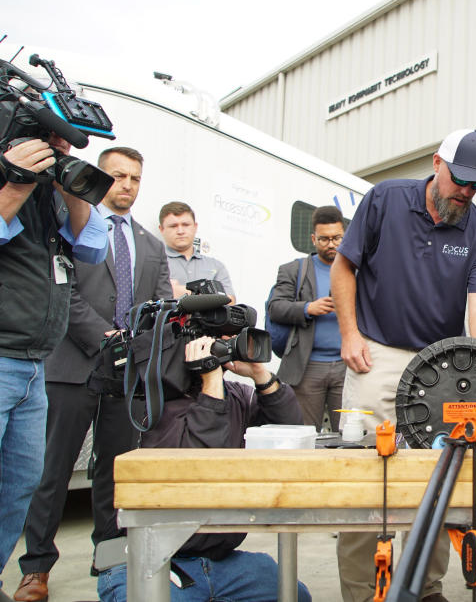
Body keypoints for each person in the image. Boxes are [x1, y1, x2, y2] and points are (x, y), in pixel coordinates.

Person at [331, 128, 476, 602]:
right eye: (459, 180)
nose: (464, 192)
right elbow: (344, 266)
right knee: (369, 481)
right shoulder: (385, 199)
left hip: (441, 366)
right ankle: (366, 592)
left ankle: (425, 588)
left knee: (438, 478)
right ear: (436, 164)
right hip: (377, 351)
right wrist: (349, 333)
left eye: (475, 185)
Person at [15, 147, 173, 602]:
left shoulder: (150, 243)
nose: (127, 185)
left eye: (135, 178)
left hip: (125, 376)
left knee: (114, 471)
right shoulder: (71, 227)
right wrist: (107, 337)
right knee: (52, 471)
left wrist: (135, 351)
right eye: (118, 176)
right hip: (72, 366)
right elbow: (62, 289)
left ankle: (109, 558)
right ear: (99, 178)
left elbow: (159, 309)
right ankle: (36, 568)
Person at [95, 334, 311, 602]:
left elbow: (289, 435)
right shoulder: (154, 404)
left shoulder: (236, 396)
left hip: (219, 561)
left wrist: (260, 375)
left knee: (294, 595)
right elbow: (198, 465)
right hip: (149, 557)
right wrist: (210, 381)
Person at [0, 136, 109, 598]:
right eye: (51, 140)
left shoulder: (51, 194)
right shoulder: (15, 182)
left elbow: (91, 249)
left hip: (32, 365)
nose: (58, 149)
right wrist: (15, 182)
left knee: (19, 487)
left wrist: (72, 191)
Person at [268, 205, 346, 433]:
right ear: (313, 238)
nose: (331, 244)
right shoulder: (294, 270)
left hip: (347, 366)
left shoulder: (355, 271)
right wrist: (307, 308)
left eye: (336, 238)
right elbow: (275, 307)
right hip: (307, 366)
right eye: (323, 239)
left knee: (348, 436)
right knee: (303, 436)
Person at [158, 201, 235, 303]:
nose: (180, 231)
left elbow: (229, 301)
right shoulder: (155, 264)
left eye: (185, 225)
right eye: (173, 226)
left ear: (195, 227)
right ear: (161, 229)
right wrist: (210, 295)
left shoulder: (216, 266)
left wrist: (179, 291)